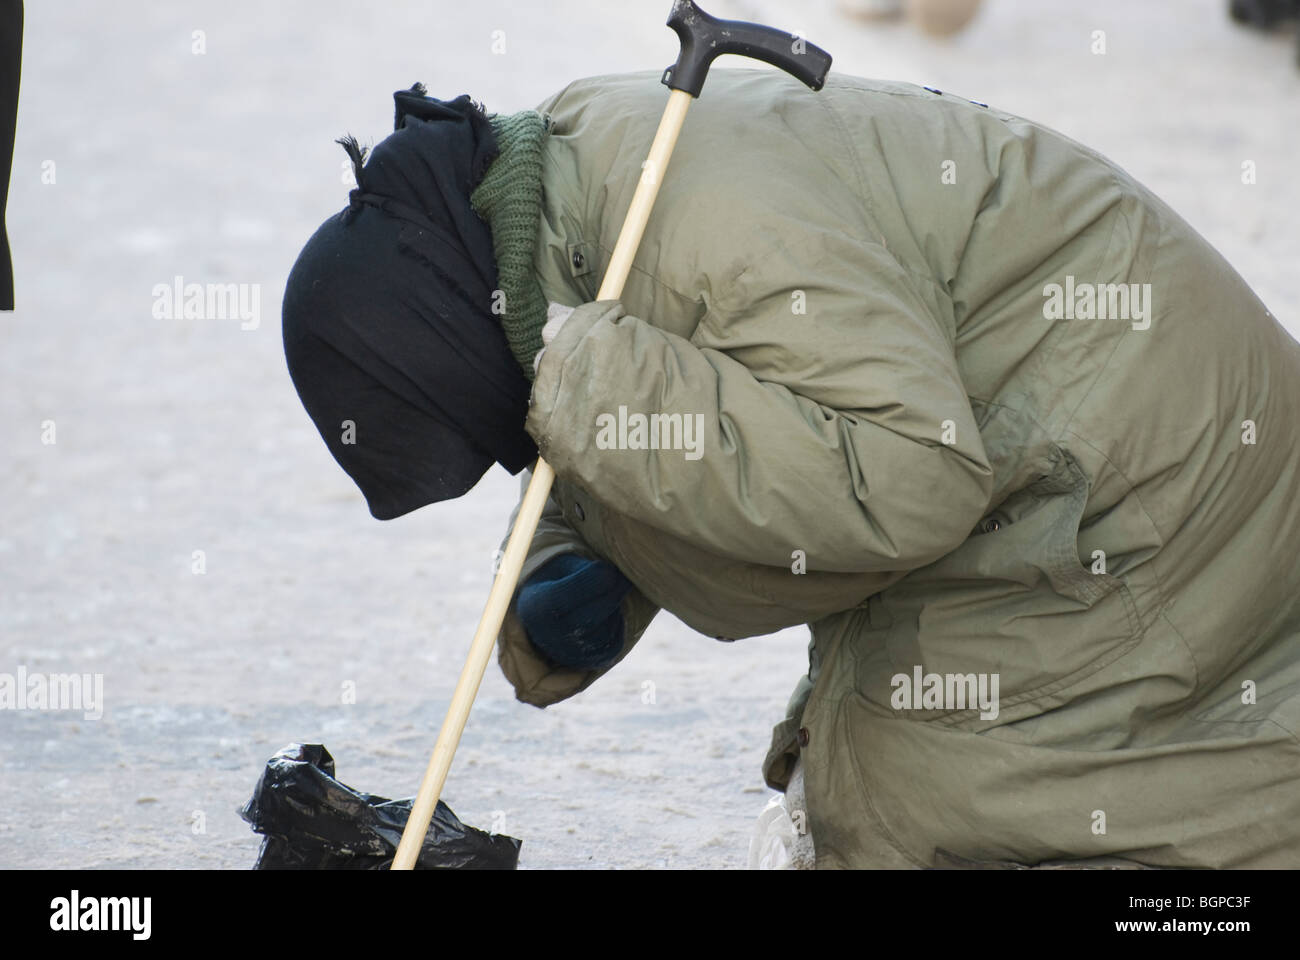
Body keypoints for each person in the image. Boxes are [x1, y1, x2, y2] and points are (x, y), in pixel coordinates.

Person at [282, 71, 1300, 869]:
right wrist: (582, 552)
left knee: (913, 798)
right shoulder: (540, 201)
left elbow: (904, 482)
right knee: (877, 763)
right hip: (1059, 438)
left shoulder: (695, 220)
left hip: (1145, 481)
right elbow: (695, 392)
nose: (521, 446)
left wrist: (601, 403)